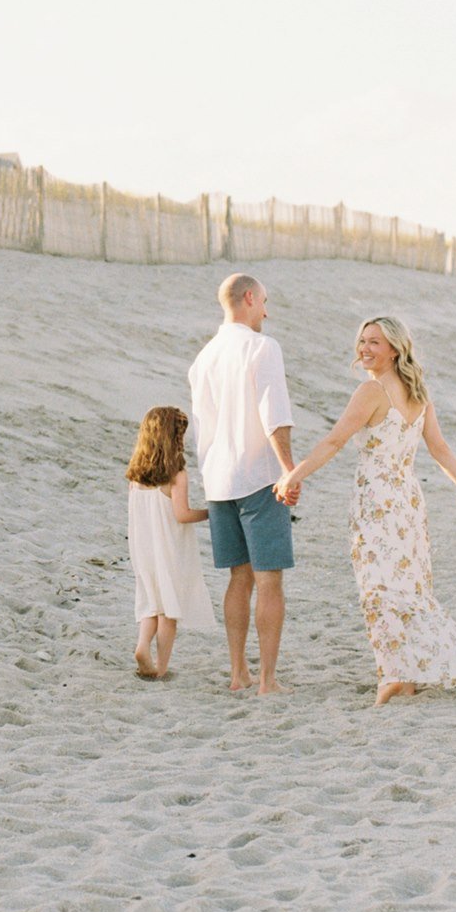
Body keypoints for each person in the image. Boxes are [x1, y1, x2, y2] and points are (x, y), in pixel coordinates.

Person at [275, 315, 456, 706]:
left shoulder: (370, 393)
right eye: (362, 341)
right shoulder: (417, 393)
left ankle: (393, 674)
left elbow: (336, 441)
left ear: (394, 349)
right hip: (407, 501)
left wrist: (295, 475)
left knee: (377, 587)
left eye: (374, 342)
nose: (364, 349)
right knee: (406, 585)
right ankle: (404, 670)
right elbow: (439, 450)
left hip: (378, 502)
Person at [187, 273, 300, 695]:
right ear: (249, 298)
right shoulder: (262, 347)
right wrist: (288, 469)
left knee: (239, 577)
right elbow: (275, 415)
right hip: (258, 476)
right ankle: (268, 681)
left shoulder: (204, 358)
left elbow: (202, 428)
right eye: (265, 302)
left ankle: (239, 674)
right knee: (270, 580)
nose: (267, 312)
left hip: (218, 480)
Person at [125, 406, 214, 680]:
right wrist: (211, 513)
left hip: (143, 548)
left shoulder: (136, 475)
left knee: (151, 602)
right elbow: (181, 514)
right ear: (173, 438)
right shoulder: (176, 474)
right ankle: (161, 668)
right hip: (169, 548)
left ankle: (142, 647)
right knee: (169, 610)